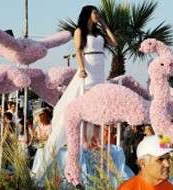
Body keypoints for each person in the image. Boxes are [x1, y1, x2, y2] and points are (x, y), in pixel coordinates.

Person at [32, 5, 117, 180]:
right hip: (88, 68)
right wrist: (81, 68)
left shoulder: (100, 33)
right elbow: (78, 50)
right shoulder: (80, 31)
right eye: (95, 13)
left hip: (100, 68)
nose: (97, 15)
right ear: (87, 14)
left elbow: (114, 42)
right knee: (79, 102)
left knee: (95, 106)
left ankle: (91, 143)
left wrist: (105, 24)